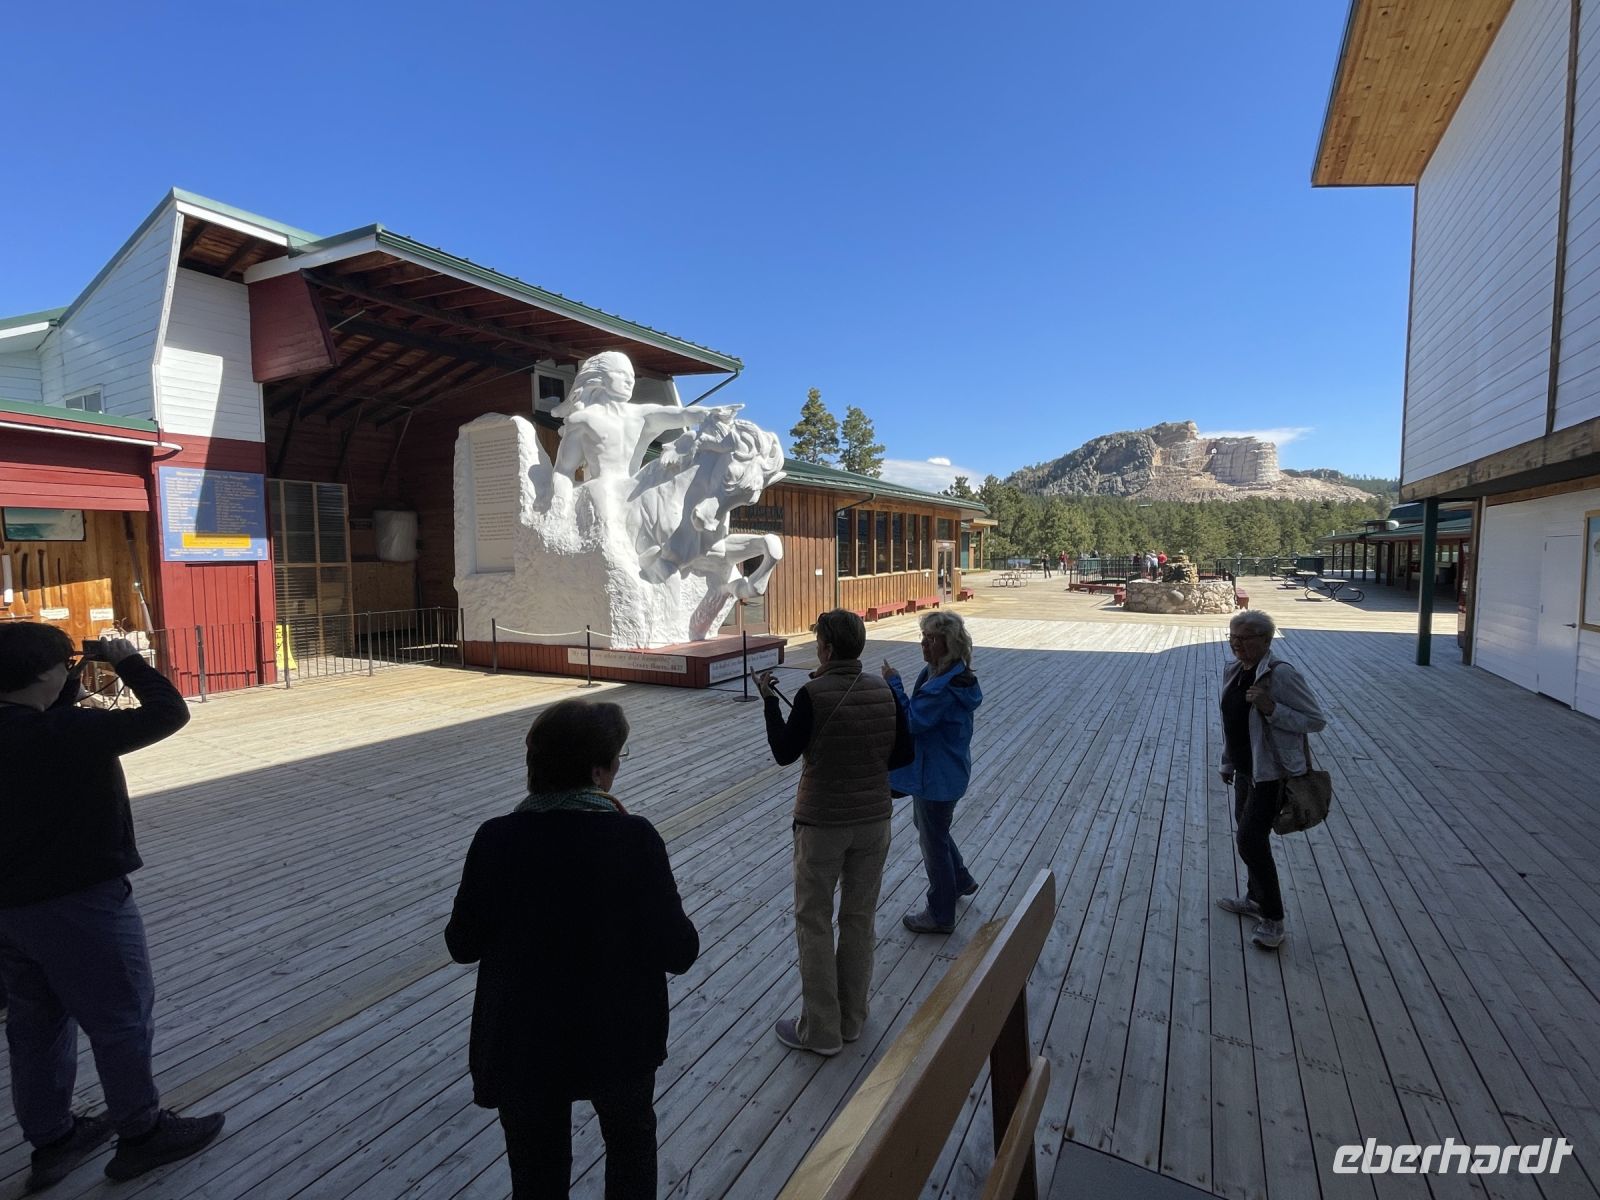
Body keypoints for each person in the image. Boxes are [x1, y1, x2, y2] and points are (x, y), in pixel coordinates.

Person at [0, 623, 224, 1191]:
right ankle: (142, 1134)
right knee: (121, 1018)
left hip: (9, 910)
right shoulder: (69, 732)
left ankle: (53, 1139)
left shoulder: (41, 724)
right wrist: (127, 660)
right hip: (81, 905)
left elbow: (40, 717)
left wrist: (70, 680)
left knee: (36, 1025)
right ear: (45, 674)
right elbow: (169, 712)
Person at [446, 699, 698, 1199]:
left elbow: (462, 944)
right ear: (597, 772)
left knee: (537, 1173)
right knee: (629, 1147)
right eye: (618, 758)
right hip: (619, 1038)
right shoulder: (634, 839)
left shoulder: (496, 839)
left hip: (524, 1043)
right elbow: (680, 950)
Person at [756, 610, 909, 1056]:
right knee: (860, 920)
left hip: (822, 824)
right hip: (874, 822)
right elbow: (902, 755)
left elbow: (785, 752)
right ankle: (853, 1019)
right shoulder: (885, 693)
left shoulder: (811, 694)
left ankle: (821, 1031)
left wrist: (769, 699)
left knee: (815, 922)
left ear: (826, 647)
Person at [1217, 610, 1328, 950]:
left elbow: (1314, 720)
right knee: (1247, 836)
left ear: (1266, 640)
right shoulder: (1234, 670)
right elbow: (1233, 722)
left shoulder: (1281, 676)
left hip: (1273, 773)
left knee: (1251, 840)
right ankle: (1255, 898)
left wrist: (1271, 708)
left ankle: (1274, 919)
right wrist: (1228, 761)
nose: (1237, 643)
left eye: (1246, 637)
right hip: (1246, 770)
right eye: (1233, 636)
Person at [882, 611, 984, 934]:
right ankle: (961, 879)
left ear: (948, 644)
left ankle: (940, 912)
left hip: (935, 777)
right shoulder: (953, 676)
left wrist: (893, 683)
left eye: (931, 639)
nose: (924, 644)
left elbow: (912, 721)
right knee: (932, 829)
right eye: (923, 637)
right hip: (948, 772)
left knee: (932, 841)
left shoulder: (942, 688)